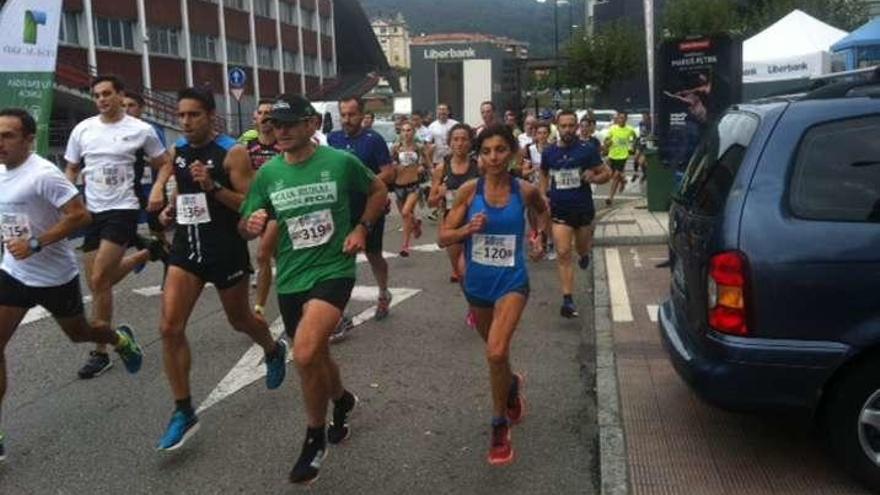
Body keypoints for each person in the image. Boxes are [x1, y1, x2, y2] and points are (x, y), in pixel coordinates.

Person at [240, 94, 388, 484]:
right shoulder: (269, 174)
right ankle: (342, 399)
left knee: (304, 352)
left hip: (333, 269)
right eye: (276, 124)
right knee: (316, 354)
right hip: (291, 277)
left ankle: (313, 437)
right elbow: (247, 220)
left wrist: (361, 227)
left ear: (311, 125)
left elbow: (378, 191)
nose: (281, 130)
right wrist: (251, 224)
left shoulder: (339, 163)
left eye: (290, 123)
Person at [0, 108, 144, 461]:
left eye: (8, 135)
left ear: (29, 139)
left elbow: (81, 216)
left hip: (54, 276)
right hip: (13, 273)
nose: (0, 142)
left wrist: (36, 243)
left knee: (80, 332)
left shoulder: (44, 175)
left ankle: (118, 338)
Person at [152, 87, 287, 451]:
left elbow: (250, 204)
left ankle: (273, 350)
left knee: (240, 320)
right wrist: (171, 210)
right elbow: (183, 193)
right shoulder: (178, 152)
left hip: (225, 249)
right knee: (168, 327)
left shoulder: (233, 152)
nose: (185, 121)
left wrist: (212, 187)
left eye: (193, 115)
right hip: (186, 249)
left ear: (211, 116)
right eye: (181, 115)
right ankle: (183, 410)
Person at [438, 124, 549, 466]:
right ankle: (511, 385)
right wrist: (466, 229)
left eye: (500, 150)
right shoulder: (470, 192)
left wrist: (538, 237)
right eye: (486, 152)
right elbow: (444, 237)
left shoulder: (525, 190)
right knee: (497, 355)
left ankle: (499, 425)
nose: (493, 157)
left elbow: (543, 211)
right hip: (477, 286)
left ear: (512, 152)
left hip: (512, 282)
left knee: (496, 351)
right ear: (479, 156)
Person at [64, 75, 168, 379]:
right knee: (99, 283)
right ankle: (146, 252)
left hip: (123, 209)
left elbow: (164, 163)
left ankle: (100, 351)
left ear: (120, 96)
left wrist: (160, 188)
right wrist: (64, 197)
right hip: (91, 210)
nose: (101, 99)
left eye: (107, 93)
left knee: (99, 278)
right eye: (96, 95)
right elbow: (71, 167)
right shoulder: (83, 129)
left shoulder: (140, 130)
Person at [328, 97, 395, 341]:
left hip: (370, 207)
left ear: (362, 114)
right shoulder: (333, 139)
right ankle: (341, 314)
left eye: (352, 114)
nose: (347, 119)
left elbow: (388, 172)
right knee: (342, 258)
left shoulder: (373, 140)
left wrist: (366, 183)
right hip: (342, 211)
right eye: (343, 114)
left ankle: (384, 293)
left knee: (374, 255)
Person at [541, 110, 612, 318]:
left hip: (582, 210)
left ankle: (584, 254)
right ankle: (568, 300)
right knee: (563, 252)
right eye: (564, 126)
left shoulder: (586, 150)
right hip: (560, 210)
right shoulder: (549, 152)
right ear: (557, 126)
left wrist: (594, 177)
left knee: (580, 247)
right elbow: (544, 174)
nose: (568, 130)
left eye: (572, 125)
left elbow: (605, 173)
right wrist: (543, 194)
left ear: (577, 126)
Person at [242, 99, 282, 316]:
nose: (265, 117)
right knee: (270, 255)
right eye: (261, 112)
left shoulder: (283, 144)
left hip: (281, 206)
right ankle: (260, 307)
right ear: (254, 117)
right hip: (257, 207)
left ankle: (258, 308)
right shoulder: (247, 146)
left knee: (263, 255)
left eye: (270, 112)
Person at [429, 123, 480, 284]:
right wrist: (439, 194)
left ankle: (476, 306)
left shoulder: (478, 166)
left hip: (474, 220)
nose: (459, 143)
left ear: (470, 143)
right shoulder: (442, 168)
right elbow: (430, 202)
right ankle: (473, 304)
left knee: (469, 268)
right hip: (451, 222)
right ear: (449, 142)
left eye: (464, 139)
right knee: (459, 271)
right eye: (455, 139)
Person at [122, 91, 170, 252]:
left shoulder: (150, 130)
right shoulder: (117, 132)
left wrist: (145, 158)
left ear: (141, 109)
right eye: (123, 106)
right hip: (130, 188)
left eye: (131, 106)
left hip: (153, 187)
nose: (126, 109)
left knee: (155, 228)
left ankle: (165, 255)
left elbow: (164, 160)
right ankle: (144, 250)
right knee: (126, 228)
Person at [391, 122, 429, 256]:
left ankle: (405, 246)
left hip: (413, 185)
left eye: (408, 130)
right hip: (398, 186)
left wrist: (423, 167)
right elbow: (390, 165)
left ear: (413, 132)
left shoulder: (419, 147)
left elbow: (428, 163)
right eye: (403, 130)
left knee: (407, 212)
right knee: (406, 216)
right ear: (400, 133)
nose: (406, 133)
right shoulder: (396, 148)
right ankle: (416, 225)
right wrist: (394, 166)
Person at [604, 112, 637, 206]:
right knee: (612, 175)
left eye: (623, 118)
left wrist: (632, 146)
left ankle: (610, 197)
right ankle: (623, 180)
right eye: (619, 118)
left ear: (626, 119)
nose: (621, 120)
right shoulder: (613, 128)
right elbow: (607, 140)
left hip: (623, 156)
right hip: (612, 155)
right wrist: (607, 143)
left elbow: (634, 138)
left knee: (615, 176)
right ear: (617, 119)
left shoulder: (630, 129)